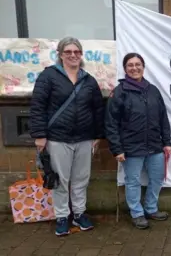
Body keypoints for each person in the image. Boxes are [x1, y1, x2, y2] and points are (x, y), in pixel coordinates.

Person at [29, 36, 105, 236]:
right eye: (68, 52)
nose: (73, 55)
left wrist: (98, 134)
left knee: (81, 179)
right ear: (60, 55)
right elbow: (38, 107)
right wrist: (39, 135)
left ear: (81, 55)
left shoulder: (89, 80)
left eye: (77, 52)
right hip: (57, 138)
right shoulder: (48, 77)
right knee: (60, 180)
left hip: (84, 138)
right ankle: (62, 216)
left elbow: (98, 109)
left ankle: (79, 214)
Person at [105, 53, 171, 229]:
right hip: (131, 147)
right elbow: (111, 123)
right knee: (133, 181)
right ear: (125, 68)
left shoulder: (153, 90)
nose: (134, 68)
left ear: (143, 66)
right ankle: (137, 213)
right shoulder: (119, 92)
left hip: (155, 146)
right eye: (130, 65)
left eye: (137, 64)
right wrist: (117, 149)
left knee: (157, 179)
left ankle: (151, 208)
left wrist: (167, 142)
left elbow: (163, 118)